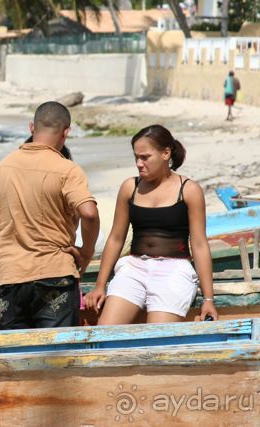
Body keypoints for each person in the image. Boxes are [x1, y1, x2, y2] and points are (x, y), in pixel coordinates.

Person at [0, 101, 100, 330]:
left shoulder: (2, 168)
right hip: (56, 274)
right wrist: (86, 253)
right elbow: (90, 214)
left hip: (10, 276)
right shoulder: (67, 170)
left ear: (31, 127)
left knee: (12, 355)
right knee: (55, 356)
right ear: (66, 133)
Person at [84, 125, 218, 324]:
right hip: (133, 268)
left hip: (174, 271)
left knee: (159, 337)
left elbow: (199, 244)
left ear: (166, 153)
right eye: (136, 157)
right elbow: (116, 238)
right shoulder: (130, 187)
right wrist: (100, 285)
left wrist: (208, 298)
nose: (139, 163)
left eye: (145, 157)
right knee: (105, 333)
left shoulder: (189, 190)